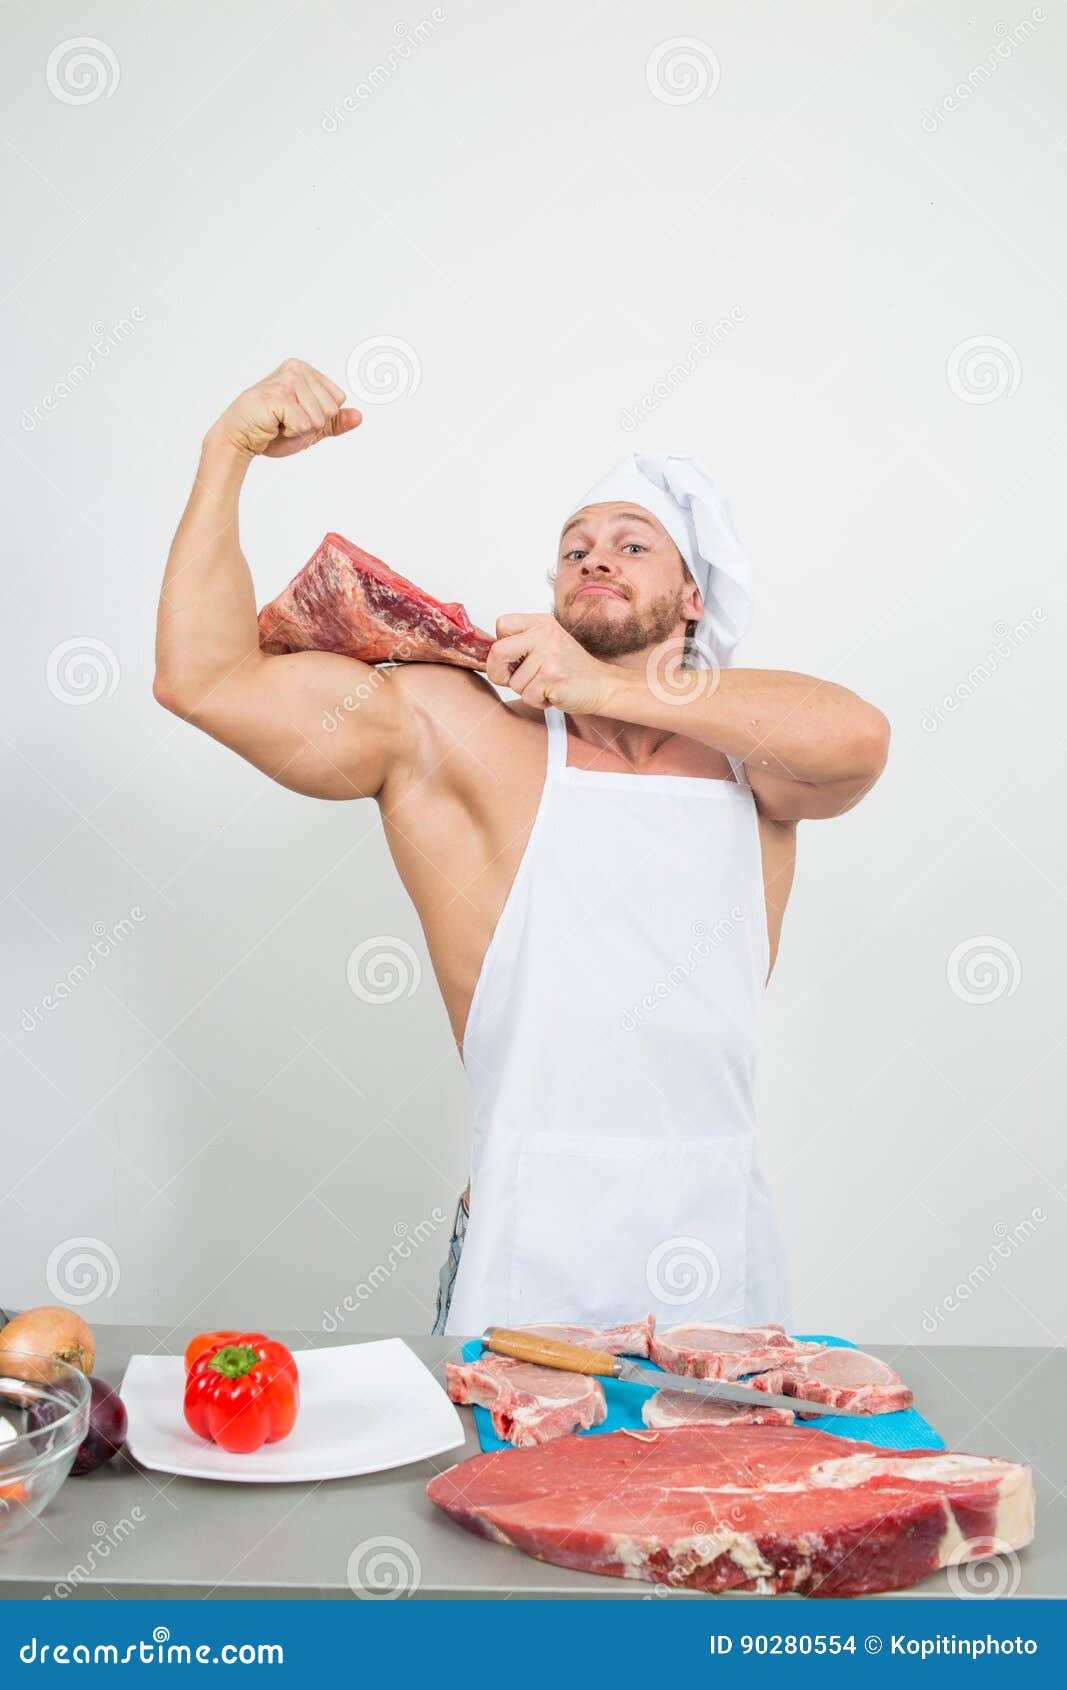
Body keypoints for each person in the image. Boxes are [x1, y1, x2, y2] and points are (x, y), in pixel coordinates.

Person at [154, 358, 889, 1337]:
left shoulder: (755, 768)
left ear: (693, 599)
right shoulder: (460, 737)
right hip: (522, 1267)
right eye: (574, 546)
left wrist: (603, 687)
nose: (594, 557)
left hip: (723, 1271)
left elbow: (858, 738)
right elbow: (201, 678)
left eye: (633, 544)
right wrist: (225, 453)